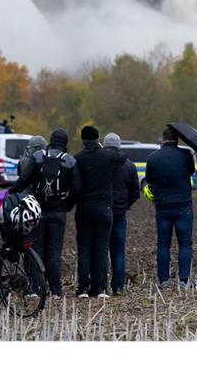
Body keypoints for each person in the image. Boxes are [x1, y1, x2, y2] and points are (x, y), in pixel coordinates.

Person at [11, 129, 80, 298]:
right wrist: (66, 206)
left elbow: (24, 179)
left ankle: (36, 288)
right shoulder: (70, 161)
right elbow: (77, 189)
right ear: (65, 143)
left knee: (37, 250)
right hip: (58, 212)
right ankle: (55, 289)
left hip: (38, 212)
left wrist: (12, 192)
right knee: (55, 252)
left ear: (51, 140)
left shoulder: (38, 157)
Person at [74, 126, 124, 297]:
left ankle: (83, 288)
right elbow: (122, 158)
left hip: (84, 209)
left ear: (83, 140)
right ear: (97, 140)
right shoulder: (106, 156)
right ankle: (101, 287)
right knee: (102, 248)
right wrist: (103, 148)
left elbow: (76, 186)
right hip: (104, 209)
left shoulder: (78, 158)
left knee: (84, 248)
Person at [146, 126, 196, 288]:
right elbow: (190, 172)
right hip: (183, 205)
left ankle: (164, 280)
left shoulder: (153, 157)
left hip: (162, 205)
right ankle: (183, 279)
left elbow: (149, 179)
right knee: (185, 244)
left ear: (163, 138)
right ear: (177, 139)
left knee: (163, 244)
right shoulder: (186, 155)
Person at [103, 133, 140, 295]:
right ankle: (118, 286)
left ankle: (101, 285)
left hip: (103, 210)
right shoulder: (129, 165)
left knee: (102, 249)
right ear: (119, 145)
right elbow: (135, 191)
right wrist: (126, 205)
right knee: (118, 251)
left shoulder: (99, 163)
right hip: (120, 212)